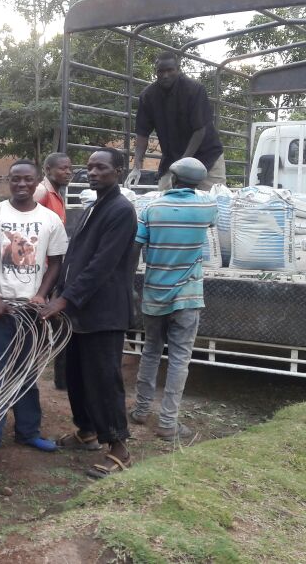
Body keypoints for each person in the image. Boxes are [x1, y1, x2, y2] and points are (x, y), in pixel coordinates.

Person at [40, 147, 137, 480]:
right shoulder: (95, 206)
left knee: (103, 379)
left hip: (103, 313)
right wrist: (58, 291)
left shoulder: (121, 210)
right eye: (90, 167)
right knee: (77, 376)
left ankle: (119, 448)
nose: (92, 173)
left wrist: (64, 300)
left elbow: (101, 265)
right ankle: (87, 432)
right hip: (80, 311)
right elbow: (75, 257)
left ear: (118, 171)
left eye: (101, 168)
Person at [0, 160, 68, 463]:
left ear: (37, 181)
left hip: (31, 312)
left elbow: (56, 262)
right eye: (16, 179)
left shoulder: (50, 219)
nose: (21, 184)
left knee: (26, 372)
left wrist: (41, 295)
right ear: (9, 181)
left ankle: (28, 431)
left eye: (27, 179)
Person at [129, 157, 217, 440]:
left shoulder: (151, 208)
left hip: (155, 293)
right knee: (179, 358)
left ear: (173, 179)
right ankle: (168, 423)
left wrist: (129, 286)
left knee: (151, 351)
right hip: (188, 297)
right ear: (199, 183)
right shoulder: (207, 207)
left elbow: (135, 248)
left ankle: (141, 410)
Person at [128, 51, 225, 191]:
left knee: (212, 198)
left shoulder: (194, 89)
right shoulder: (148, 96)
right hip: (173, 158)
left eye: (170, 70)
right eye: (161, 71)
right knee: (165, 199)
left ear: (178, 69)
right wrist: (136, 167)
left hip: (206, 155)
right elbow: (142, 134)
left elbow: (199, 130)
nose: (165, 75)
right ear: (156, 72)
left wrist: (182, 167)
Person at [35, 153, 71, 222]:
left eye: (70, 168)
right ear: (48, 170)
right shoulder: (40, 192)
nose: (69, 172)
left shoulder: (57, 193)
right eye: (63, 168)